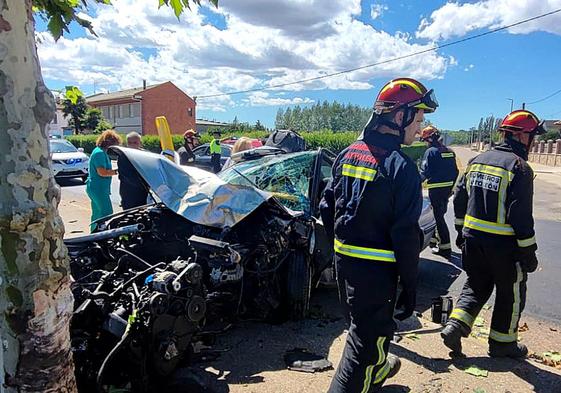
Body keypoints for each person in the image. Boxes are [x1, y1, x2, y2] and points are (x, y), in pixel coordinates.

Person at [320, 77, 438, 392]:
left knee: (366, 334)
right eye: (419, 117)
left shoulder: (347, 154)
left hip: (347, 269)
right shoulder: (402, 168)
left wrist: (339, 252)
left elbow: (326, 208)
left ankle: (377, 374)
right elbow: (406, 236)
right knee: (363, 347)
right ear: (399, 116)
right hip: (377, 276)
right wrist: (410, 286)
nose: (421, 126)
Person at [442, 109, 545, 358]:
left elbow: (459, 199)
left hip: (472, 241)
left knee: (476, 284)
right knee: (511, 292)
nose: (534, 142)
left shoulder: (476, 161)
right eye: (532, 136)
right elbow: (520, 217)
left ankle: (455, 325)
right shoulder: (519, 168)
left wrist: (460, 231)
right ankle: (503, 344)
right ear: (521, 136)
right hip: (504, 246)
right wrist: (529, 252)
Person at [419, 125, 459, 259]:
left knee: (438, 218)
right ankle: (433, 240)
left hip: (435, 190)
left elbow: (425, 172)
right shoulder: (449, 151)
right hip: (447, 191)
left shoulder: (430, 152)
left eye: (425, 140)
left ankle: (445, 248)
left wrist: (413, 182)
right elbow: (456, 171)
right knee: (439, 215)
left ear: (429, 139)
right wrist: (451, 189)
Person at [86, 130, 121, 231]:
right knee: (106, 212)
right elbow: (102, 172)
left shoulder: (100, 152)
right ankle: (101, 233)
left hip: (98, 187)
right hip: (98, 188)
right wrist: (117, 172)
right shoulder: (100, 154)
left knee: (97, 213)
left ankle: (94, 233)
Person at [117, 132, 149, 210]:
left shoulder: (145, 155)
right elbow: (128, 176)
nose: (132, 145)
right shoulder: (123, 156)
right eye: (130, 143)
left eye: (135, 142)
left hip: (143, 193)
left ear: (140, 143)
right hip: (129, 193)